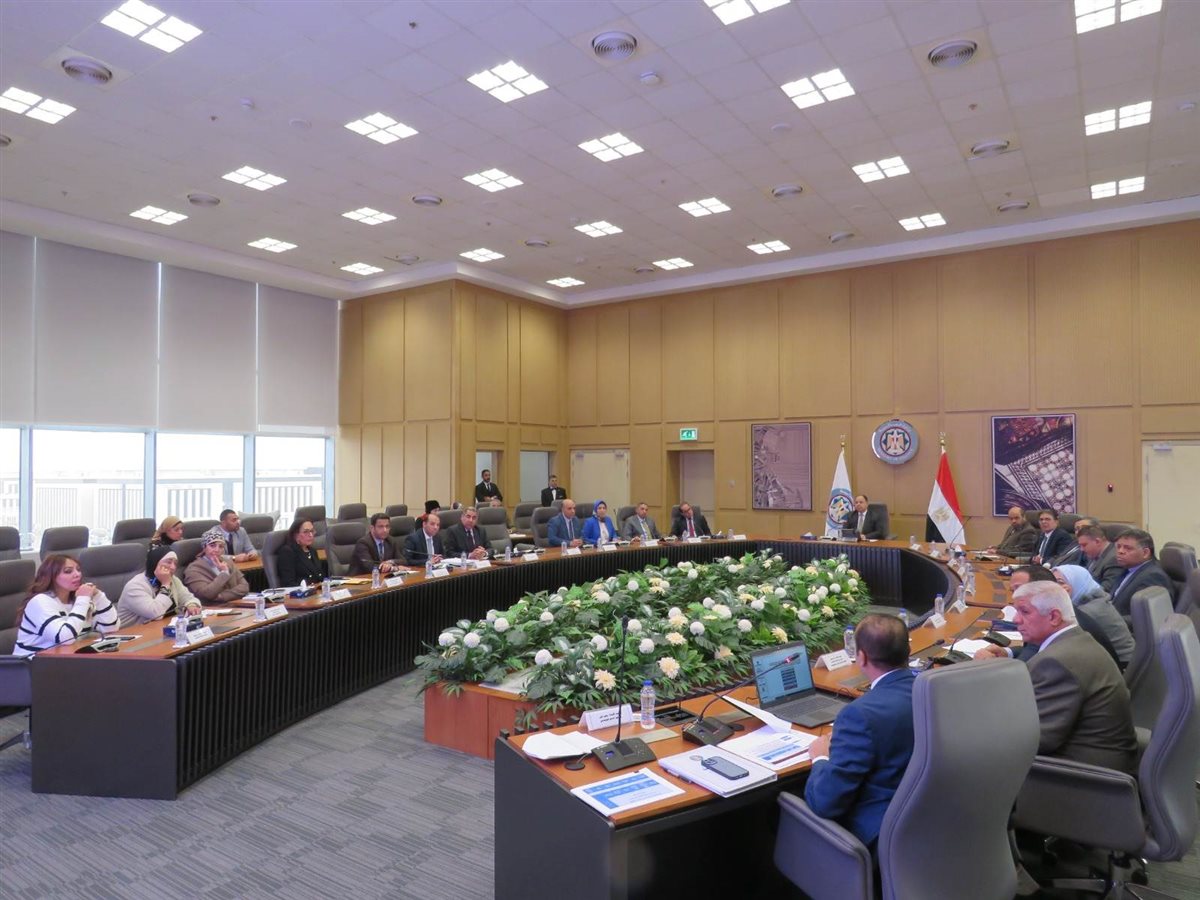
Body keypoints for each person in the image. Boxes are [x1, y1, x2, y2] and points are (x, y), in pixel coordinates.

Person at [804, 614, 916, 852]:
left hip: (880, 837)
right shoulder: (933, 692)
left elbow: (826, 803)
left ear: (861, 657)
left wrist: (821, 757)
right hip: (931, 824)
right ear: (908, 650)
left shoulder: (859, 715)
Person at [1007, 580, 1137, 773]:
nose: (1016, 620)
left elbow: (1038, 739)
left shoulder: (1057, 661)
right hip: (1096, 756)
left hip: (1084, 774)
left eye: (1024, 612)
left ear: (1054, 617)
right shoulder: (1077, 640)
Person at [974, 566, 1122, 669]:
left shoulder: (1065, 626)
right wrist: (1008, 653)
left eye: (1020, 589)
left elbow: (1024, 672)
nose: (1014, 596)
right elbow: (1035, 650)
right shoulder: (1061, 612)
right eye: (1012, 590)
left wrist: (990, 665)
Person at [13, 555, 120, 657]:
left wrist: (98, 596)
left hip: (67, 659)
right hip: (33, 664)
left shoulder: (78, 600)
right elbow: (64, 638)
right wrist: (83, 599)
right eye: (68, 571)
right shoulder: (40, 602)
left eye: (78, 570)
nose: (77, 574)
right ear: (52, 576)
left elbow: (110, 628)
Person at [1051, 564, 1134, 669]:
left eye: (1060, 582)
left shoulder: (1089, 610)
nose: (1055, 587)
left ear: (1078, 582)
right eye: (1052, 582)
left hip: (1122, 665)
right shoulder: (1092, 600)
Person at [118, 546, 203, 627]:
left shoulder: (173, 579)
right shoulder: (135, 586)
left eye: (175, 563)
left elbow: (188, 598)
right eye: (169, 562)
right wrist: (165, 584)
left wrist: (191, 605)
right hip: (133, 633)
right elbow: (155, 613)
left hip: (161, 628)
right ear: (155, 563)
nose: (173, 567)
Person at [1110, 528, 1173, 620]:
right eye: (1118, 546)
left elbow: (1146, 617)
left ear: (1145, 553)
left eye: (1128, 548)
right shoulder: (1128, 569)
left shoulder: (1153, 576)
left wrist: (1108, 621)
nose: (1120, 551)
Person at [184, 528, 251, 603]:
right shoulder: (194, 569)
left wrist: (221, 596)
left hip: (235, 604)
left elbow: (245, 587)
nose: (217, 550)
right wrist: (224, 573)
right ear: (204, 548)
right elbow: (206, 594)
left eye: (221, 546)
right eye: (212, 546)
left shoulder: (228, 562)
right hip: (212, 608)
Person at [277, 519, 326, 585]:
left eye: (312, 531)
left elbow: (320, 576)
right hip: (301, 590)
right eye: (306, 532)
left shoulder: (312, 551)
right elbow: (288, 583)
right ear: (295, 535)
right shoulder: (287, 552)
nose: (311, 535)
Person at [1077, 524, 1123, 595]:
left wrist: (1078, 595)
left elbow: (1105, 589)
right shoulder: (1093, 554)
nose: (1081, 549)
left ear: (1097, 541)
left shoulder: (1114, 559)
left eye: (1084, 545)